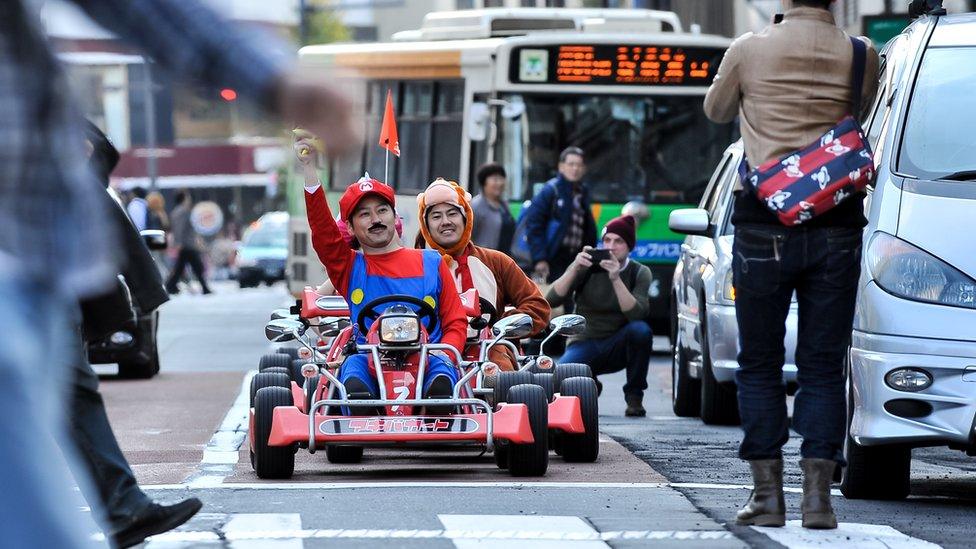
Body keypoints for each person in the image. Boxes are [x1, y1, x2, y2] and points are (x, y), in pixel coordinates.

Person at [2, 0, 357, 543]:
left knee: (70, 384)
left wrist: (269, 77)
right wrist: (267, 76)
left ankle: (120, 504)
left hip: (36, 250)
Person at [703, 0, 879, 530]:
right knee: (823, 365)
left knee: (759, 362)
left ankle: (767, 495)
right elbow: (861, 110)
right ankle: (819, 501)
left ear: (784, 2)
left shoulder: (750, 49)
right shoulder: (860, 52)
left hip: (763, 223)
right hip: (837, 222)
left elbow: (715, 110)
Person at [81, 122, 203, 548]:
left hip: (44, 286)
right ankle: (122, 507)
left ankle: (123, 507)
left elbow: (99, 151)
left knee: (73, 392)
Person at [296, 138, 467, 412]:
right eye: (364, 214)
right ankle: (359, 404)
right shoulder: (349, 267)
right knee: (351, 368)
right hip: (368, 356)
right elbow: (323, 233)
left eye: (382, 210)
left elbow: (456, 322)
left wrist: (445, 352)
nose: (375, 219)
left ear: (394, 216)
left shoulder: (432, 262)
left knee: (442, 370)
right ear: (350, 228)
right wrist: (310, 169)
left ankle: (438, 401)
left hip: (428, 354)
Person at [416, 178, 550, 371]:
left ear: (466, 217)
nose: (445, 222)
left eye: (452, 213)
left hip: (491, 352)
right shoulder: (417, 265)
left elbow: (538, 307)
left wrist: (499, 328)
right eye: (436, 216)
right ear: (426, 225)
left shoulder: (497, 261)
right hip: (431, 355)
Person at [545, 215, 651, 417]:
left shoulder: (640, 272)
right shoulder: (587, 267)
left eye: (618, 241)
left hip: (619, 343)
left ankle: (634, 398)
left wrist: (615, 278)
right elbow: (551, 300)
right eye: (607, 240)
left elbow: (637, 314)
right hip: (584, 340)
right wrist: (575, 267)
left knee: (641, 332)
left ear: (629, 247)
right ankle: (590, 383)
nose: (611, 246)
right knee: (559, 377)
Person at [523, 147, 597, 283]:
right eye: (571, 164)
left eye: (579, 165)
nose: (575, 168)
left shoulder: (583, 191)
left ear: (584, 169)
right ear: (561, 167)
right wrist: (540, 258)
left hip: (575, 257)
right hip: (553, 258)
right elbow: (534, 225)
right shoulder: (551, 190)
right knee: (552, 300)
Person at [164, 190, 213, 295]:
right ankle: (204, 287)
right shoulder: (183, 212)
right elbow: (180, 228)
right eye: (187, 197)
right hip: (187, 244)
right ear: (183, 199)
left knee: (181, 268)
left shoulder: (175, 212)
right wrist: (180, 242)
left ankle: (170, 286)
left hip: (184, 244)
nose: (189, 200)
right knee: (196, 266)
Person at [470, 163, 516, 255]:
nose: (499, 183)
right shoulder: (475, 206)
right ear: (484, 183)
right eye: (495, 179)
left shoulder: (504, 205)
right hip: (484, 260)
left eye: (501, 178)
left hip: (504, 260)